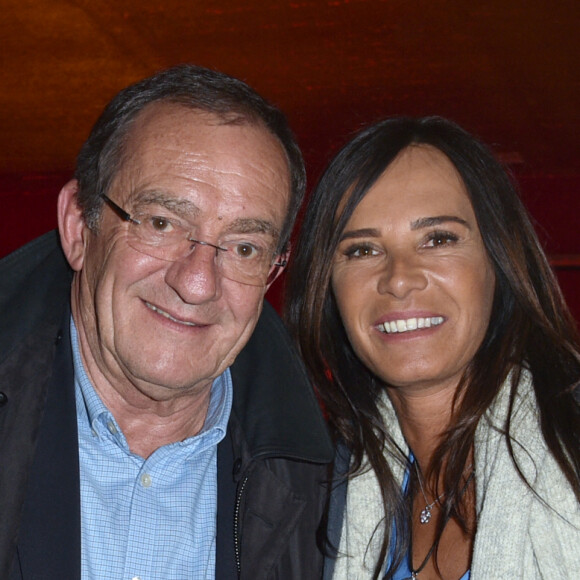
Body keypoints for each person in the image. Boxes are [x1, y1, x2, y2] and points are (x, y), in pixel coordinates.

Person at [0, 64, 333, 580]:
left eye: (245, 247)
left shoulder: (329, 493)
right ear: (78, 227)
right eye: (161, 223)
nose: (197, 283)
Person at [286, 116, 580, 579]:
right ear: (327, 289)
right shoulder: (316, 496)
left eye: (438, 239)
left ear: (499, 262)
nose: (399, 277)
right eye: (362, 250)